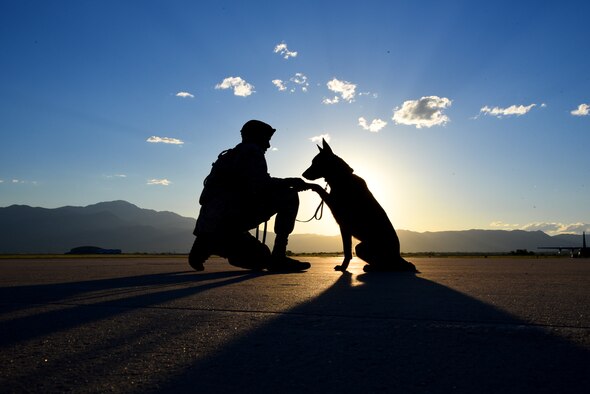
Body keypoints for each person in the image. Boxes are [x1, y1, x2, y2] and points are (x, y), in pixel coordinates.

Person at [189, 120, 313, 272]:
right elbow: (260, 184)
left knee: (261, 257)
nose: (268, 145)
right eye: (266, 140)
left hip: (211, 223)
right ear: (256, 136)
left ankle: (208, 245)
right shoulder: (251, 151)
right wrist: (290, 182)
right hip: (229, 220)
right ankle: (279, 256)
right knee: (289, 195)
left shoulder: (230, 155)